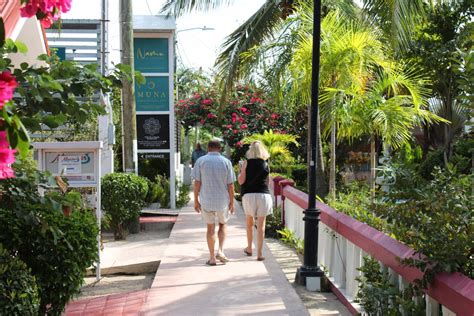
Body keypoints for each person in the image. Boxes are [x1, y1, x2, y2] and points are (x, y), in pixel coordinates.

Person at [191, 139, 236, 266]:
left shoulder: (201, 161)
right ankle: (220, 251)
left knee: (210, 228)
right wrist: (232, 202)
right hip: (222, 201)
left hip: (206, 200)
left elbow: (197, 183)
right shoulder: (226, 162)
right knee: (223, 224)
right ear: (220, 148)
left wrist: (196, 201)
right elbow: (231, 185)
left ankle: (212, 258)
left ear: (208, 148)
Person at [238, 141, 272, 261]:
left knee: (249, 223)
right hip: (263, 195)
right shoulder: (266, 164)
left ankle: (249, 248)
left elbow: (241, 181)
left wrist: (243, 170)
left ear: (250, 150)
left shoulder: (246, 163)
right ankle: (260, 253)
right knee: (261, 225)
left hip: (249, 195)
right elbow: (268, 182)